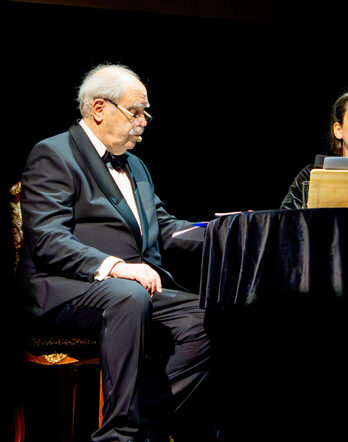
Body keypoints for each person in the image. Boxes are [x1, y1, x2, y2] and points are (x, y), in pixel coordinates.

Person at [20, 64, 211, 441]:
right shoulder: (53, 153)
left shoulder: (136, 165)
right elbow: (47, 237)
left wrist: (224, 232)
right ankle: (117, 435)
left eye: (145, 112)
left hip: (132, 291)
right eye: (135, 111)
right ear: (99, 109)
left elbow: (166, 227)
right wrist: (116, 267)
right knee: (128, 295)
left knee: (209, 316)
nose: (143, 121)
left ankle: (146, 420)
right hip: (64, 287)